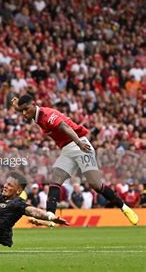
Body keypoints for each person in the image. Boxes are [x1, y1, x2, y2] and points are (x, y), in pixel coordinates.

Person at [12, 94, 138, 225]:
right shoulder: (35, 114)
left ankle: (124, 207)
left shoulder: (47, 115)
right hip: (67, 149)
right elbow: (25, 109)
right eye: (22, 111)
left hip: (79, 145)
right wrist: (17, 107)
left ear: (33, 104)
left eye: (26, 109)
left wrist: (78, 143)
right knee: (55, 180)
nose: (24, 113)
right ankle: (50, 217)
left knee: (95, 184)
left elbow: (65, 127)